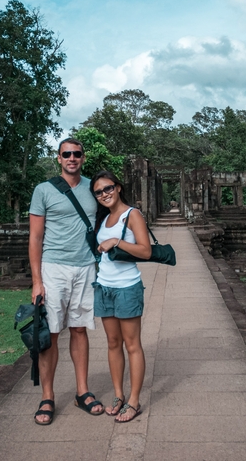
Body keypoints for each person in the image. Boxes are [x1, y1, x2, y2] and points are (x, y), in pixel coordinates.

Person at [28, 138, 104, 425]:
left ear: (83, 158)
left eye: (77, 154)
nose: (72, 158)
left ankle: (82, 391)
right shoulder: (44, 190)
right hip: (54, 268)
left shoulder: (92, 187)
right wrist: (37, 281)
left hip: (85, 267)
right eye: (66, 154)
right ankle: (48, 396)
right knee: (51, 335)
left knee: (80, 329)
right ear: (58, 158)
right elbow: (35, 237)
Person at [90, 170, 152, 423]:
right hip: (104, 287)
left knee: (132, 344)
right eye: (98, 192)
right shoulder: (103, 218)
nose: (104, 194)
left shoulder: (132, 214)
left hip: (127, 287)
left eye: (108, 188)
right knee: (113, 343)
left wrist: (116, 241)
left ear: (118, 188)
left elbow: (146, 251)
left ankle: (134, 401)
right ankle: (118, 395)